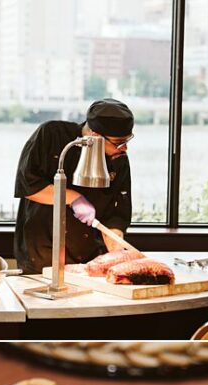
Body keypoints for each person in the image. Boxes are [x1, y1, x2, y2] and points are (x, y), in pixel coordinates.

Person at [13, 99, 134, 274]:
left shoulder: (119, 158)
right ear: (95, 136)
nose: (125, 148)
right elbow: (28, 186)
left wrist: (117, 249)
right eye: (118, 142)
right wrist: (73, 198)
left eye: (127, 140)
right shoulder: (51, 134)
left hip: (89, 257)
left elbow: (117, 215)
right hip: (42, 253)